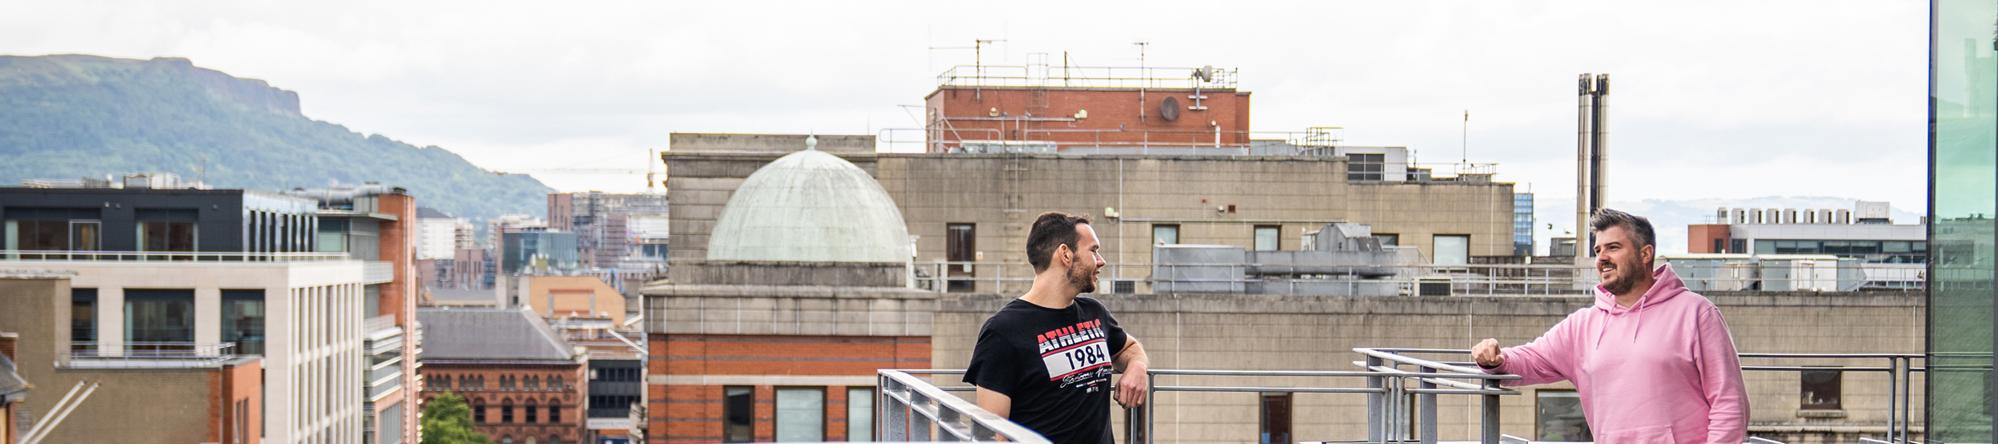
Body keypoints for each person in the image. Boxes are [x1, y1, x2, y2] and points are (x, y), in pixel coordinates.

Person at [1470, 208, 1748, 443]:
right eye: (1598, 250)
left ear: (1645, 254)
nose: (1602, 258)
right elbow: (1530, 361)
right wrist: (1495, 358)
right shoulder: (1583, 326)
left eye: (1613, 247)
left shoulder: (1696, 313)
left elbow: (1729, 404)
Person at [964, 211, 1151, 443]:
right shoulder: (1002, 331)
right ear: (1065, 254)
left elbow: (1128, 348)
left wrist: (1138, 366)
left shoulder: (1094, 313)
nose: (1101, 260)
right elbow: (992, 433)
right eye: (1093, 250)